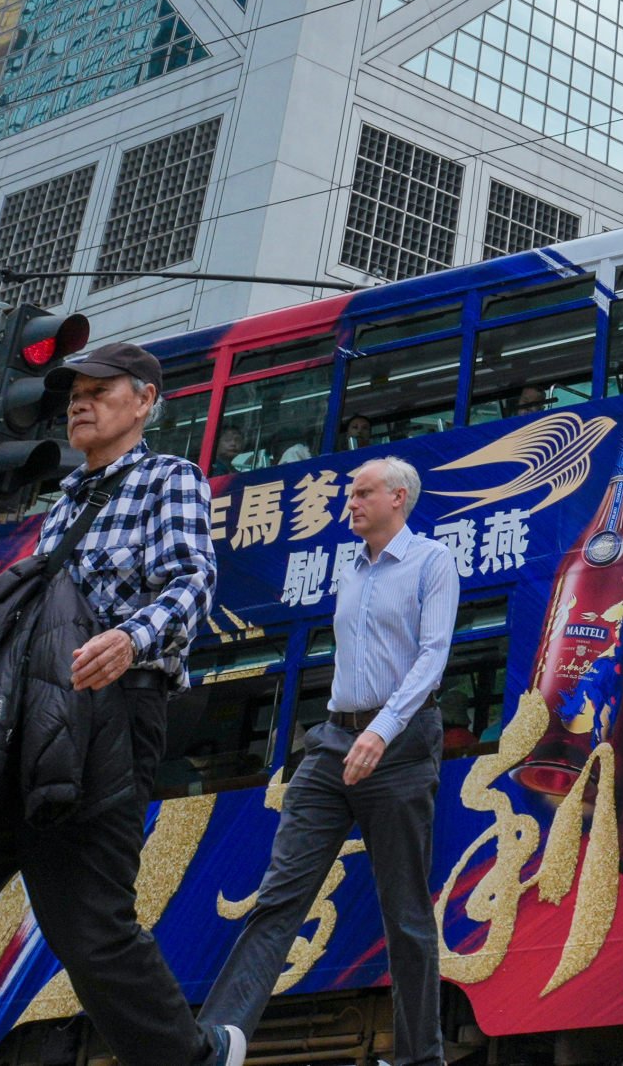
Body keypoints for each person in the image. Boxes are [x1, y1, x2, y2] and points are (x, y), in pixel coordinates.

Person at [0, 337, 221, 1066]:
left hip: (105, 724)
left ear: (145, 399)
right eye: (72, 393)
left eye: (99, 388)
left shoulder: (167, 478)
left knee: (92, 935)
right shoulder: (62, 506)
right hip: (7, 732)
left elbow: (191, 580)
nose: (79, 402)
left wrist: (130, 638)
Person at [197, 455, 457, 1066]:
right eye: (350, 493)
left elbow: (435, 656)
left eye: (363, 493)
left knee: (407, 913)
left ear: (398, 497)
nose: (351, 502)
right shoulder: (351, 570)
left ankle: (422, 1057)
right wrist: (347, 731)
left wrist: (384, 729)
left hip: (401, 747)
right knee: (279, 896)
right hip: (334, 743)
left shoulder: (432, 561)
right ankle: (214, 1046)